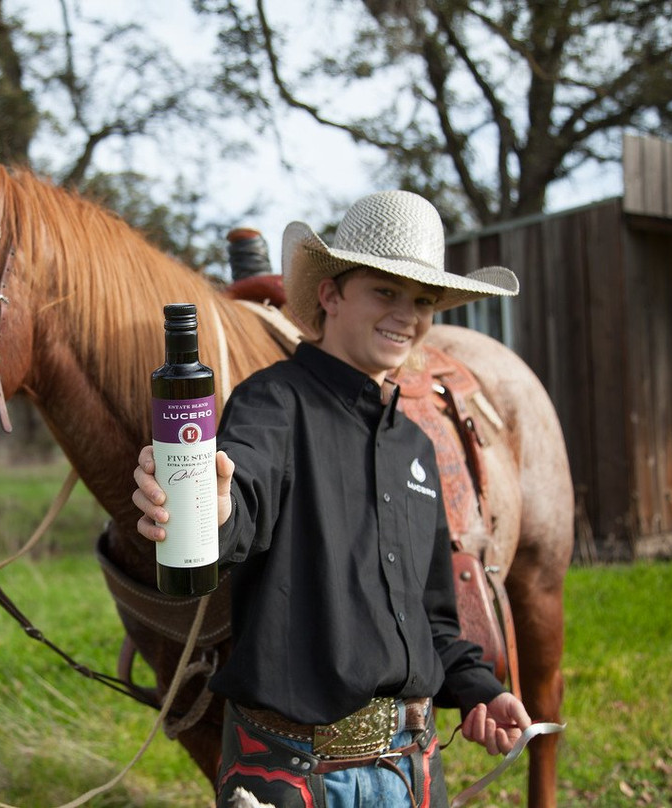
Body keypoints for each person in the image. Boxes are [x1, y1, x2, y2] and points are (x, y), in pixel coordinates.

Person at [132, 190, 528, 808]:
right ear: (331, 295)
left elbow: (435, 618)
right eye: (386, 291)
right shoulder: (271, 404)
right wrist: (214, 508)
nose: (407, 314)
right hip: (295, 775)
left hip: (411, 769)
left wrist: (479, 689)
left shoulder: (416, 448)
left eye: (423, 300)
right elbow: (243, 501)